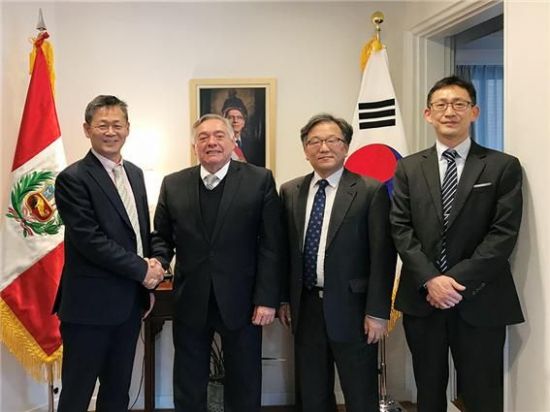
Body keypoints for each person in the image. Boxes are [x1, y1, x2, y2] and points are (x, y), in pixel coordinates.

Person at [390, 76, 524, 412]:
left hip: (481, 298)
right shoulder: (408, 168)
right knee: (428, 392)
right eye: (441, 105)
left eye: (459, 104)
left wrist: (452, 282)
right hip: (423, 300)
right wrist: (431, 280)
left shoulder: (502, 166)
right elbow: (401, 229)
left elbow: (503, 234)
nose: (450, 111)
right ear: (428, 114)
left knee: (483, 394)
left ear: (474, 112)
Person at [151, 114, 285, 412]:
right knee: (188, 380)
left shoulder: (259, 180)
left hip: (243, 301)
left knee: (244, 379)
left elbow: (272, 244)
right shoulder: (173, 184)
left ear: (233, 140)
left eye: (219, 135)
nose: (211, 142)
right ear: (194, 146)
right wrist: (159, 263)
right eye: (203, 137)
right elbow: (161, 237)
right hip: (190, 298)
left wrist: (266, 299)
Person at [53, 95, 165, 412]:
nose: (111, 132)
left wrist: (157, 264)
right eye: (103, 125)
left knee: (117, 393)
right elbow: (91, 241)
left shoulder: (135, 174)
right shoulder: (72, 178)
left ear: (128, 128)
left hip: (129, 304)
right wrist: (142, 270)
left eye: (117, 124)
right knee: (77, 394)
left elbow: (140, 232)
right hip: (88, 308)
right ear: (87, 129)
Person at [278, 113, 396, 412]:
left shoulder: (370, 191)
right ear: (305, 150)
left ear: (345, 147)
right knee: (313, 395)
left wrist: (377, 312)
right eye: (314, 141)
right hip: (306, 307)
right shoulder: (290, 191)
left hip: (354, 309)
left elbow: (383, 256)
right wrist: (284, 299)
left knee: (360, 394)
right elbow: (283, 252)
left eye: (332, 140)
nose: (323, 147)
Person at [222, 95, 265, 167]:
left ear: (244, 122)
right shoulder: (220, 144)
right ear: (224, 122)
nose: (235, 121)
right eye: (231, 117)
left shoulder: (254, 145)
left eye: (239, 117)